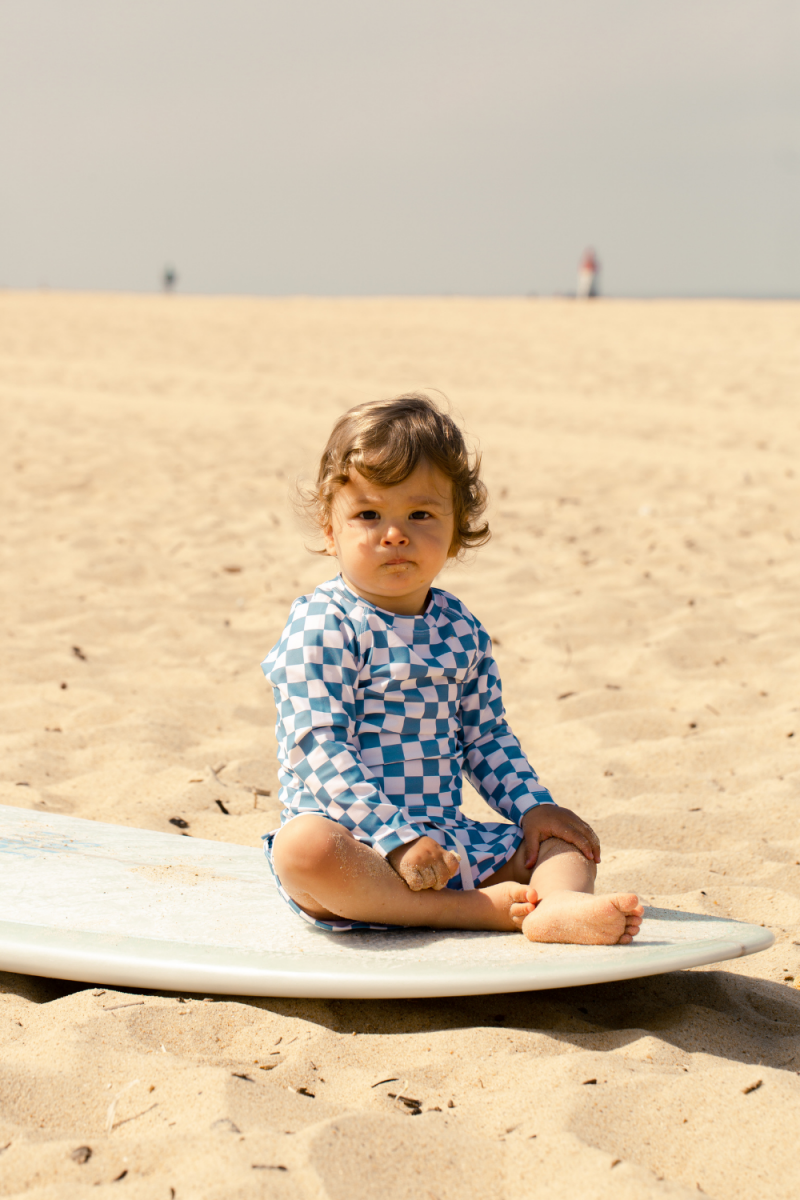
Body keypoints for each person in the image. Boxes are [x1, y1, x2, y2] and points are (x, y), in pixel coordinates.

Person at [261, 394, 643, 944]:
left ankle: (557, 908)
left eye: (420, 514)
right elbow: (316, 748)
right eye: (369, 514)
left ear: (457, 526)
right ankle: (462, 911)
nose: (395, 534)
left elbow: (484, 738)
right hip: (358, 848)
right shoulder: (324, 624)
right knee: (304, 848)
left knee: (561, 845)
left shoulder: (458, 626)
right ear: (329, 528)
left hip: (445, 844)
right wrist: (394, 839)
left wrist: (532, 806)